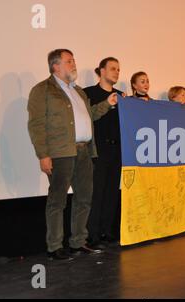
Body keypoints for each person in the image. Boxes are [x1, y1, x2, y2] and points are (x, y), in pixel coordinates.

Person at [27, 49, 117, 261]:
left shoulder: (78, 91)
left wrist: (107, 104)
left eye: (74, 60)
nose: (74, 64)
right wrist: (43, 155)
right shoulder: (43, 90)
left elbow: (91, 115)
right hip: (60, 153)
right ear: (55, 66)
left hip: (84, 151)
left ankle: (78, 242)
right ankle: (55, 246)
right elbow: (36, 125)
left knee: (85, 198)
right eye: (69, 61)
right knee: (58, 201)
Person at [84, 57, 124, 249]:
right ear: (101, 71)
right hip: (98, 150)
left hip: (117, 150)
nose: (116, 72)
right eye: (112, 68)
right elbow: (87, 117)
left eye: (118, 69)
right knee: (96, 192)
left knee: (111, 192)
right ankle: (92, 235)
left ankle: (107, 231)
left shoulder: (122, 96)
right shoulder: (88, 93)